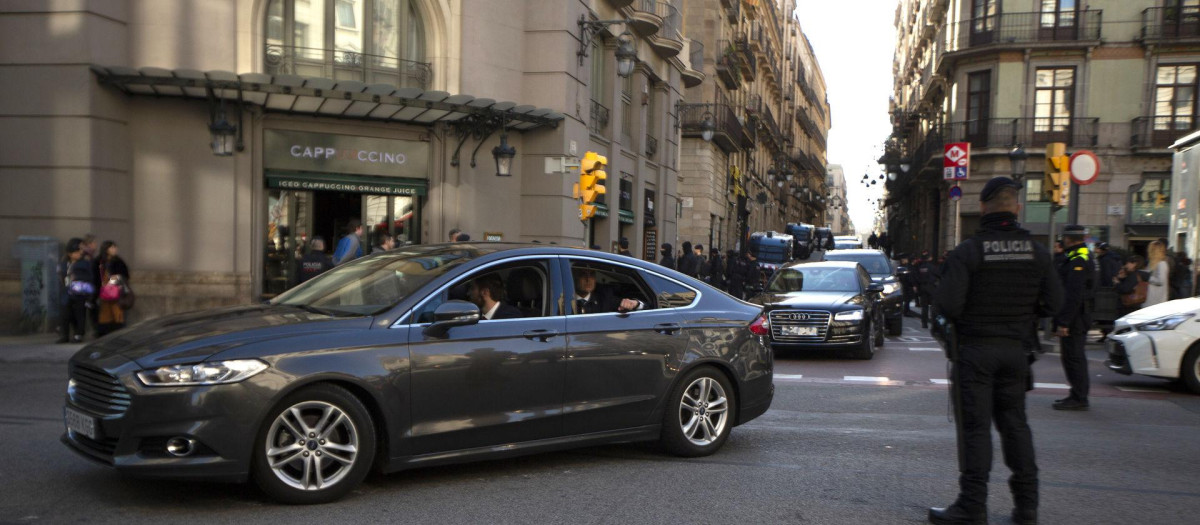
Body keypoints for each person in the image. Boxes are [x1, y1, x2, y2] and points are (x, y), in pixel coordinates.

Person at [930, 176, 1063, 525]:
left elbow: (947, 305)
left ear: (984, 208)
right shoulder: (1037, 252)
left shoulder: (969, 252)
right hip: (1016, 352)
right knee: (1016, 426)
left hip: (974, 352)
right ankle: (1027, 507)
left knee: (975, 430)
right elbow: (1055, 303)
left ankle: (972, 506)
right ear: (1017, 208)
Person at [1053, 225, 1095, 411]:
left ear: (1069, 239)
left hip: (1076, 317)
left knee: (1074, 358)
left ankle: (1079, 397)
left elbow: (1073, 294)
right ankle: (1076, 394)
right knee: (1072, 357)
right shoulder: (1079, 255)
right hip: (1078, 315)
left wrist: (1064, 322)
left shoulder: (1078, 259)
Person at [57, 238, 94, 343]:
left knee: (79, 314)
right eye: (77, 252)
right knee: (65, 314)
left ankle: (79, 334)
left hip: (80, 292)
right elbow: (61, 276)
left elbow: (89, 277)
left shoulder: (84, 263)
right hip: (66, 292)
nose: (80, 253)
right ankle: (64, 335)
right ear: (70, 253)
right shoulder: (64, 264)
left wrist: (78, 279)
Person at [95, 241, 130, 337]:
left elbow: (125, 275)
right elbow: (95, 275)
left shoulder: (118, 261)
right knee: (105, 313)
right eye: (112, 247)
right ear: (106, 249)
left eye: (115, 247)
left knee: (117, 311)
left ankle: (118, 332)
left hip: (116, 291)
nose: (115, 249)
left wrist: (117, 278)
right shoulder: (99, 261)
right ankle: (104, 333)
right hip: (103, 291)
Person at [572, 267, 641, 313]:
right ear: (574, 277)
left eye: (591, 275)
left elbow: (630, 304)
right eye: (583, 275)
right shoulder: (563, 299)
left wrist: (636, 303)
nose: (588, 279)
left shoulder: (604, 297)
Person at [916, 250, 939, 328]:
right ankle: (933, 323)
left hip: (923, 288)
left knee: (924, 307)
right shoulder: (932, 267)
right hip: (931, 288)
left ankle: (924, 323)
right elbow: (938, 275)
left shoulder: (920, 267)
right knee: (933, 306)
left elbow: (918, 278)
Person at [1145, 240, 1170, 308]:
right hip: (1151, 298)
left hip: (1157, 300)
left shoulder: (1162, 264)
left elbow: (1161, 281)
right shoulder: (1151, 263)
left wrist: (1148, 278)